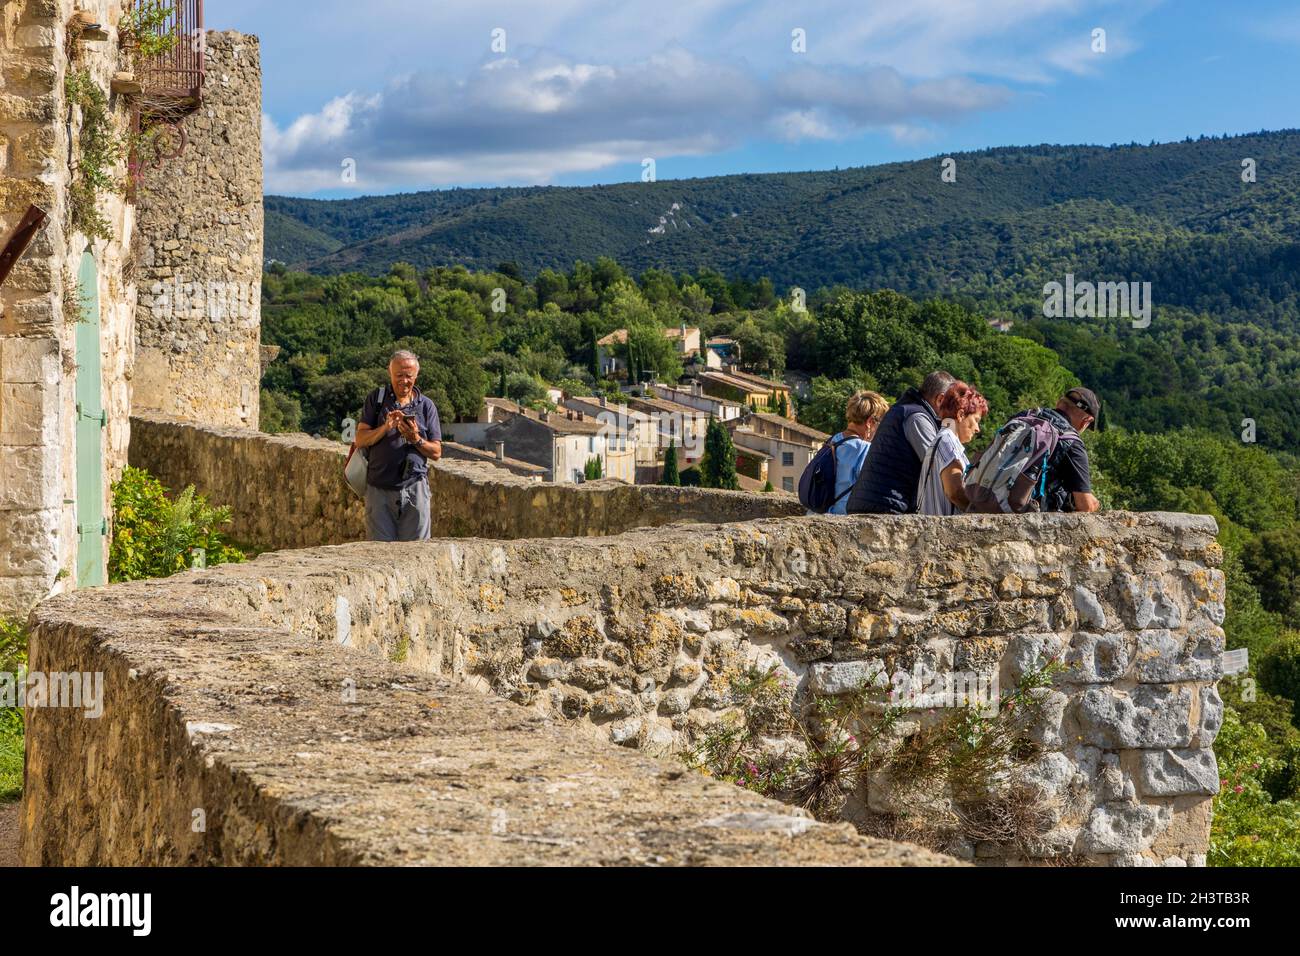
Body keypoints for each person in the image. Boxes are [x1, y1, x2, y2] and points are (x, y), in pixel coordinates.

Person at [353, 350, 443, 541]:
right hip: (379, 489)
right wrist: (385, 428)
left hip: (415, 487)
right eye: (398, 375)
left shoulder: (426, 406)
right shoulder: (376, 399)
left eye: (408, 376)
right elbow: (360, 439)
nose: (404, 381)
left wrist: (415, 438)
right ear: (390, 373)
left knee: (417, 554)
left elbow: (436, 452)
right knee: (380, 554)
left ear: (416, 375)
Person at [846, 371, 955, 514]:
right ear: (940, 399)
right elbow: (939, 468)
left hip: (874, 503)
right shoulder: (917, 418)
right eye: (951, 403)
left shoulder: (903, 410)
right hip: (888, 507)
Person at [917, 381, 988, 515]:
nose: (978, 429)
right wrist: (982, 513)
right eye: (976, 420)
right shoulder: (947, 440)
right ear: (961, 415)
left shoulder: (944, 439)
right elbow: (955, 492)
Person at [1038, 388, 1101, 513]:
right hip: (1026, 516)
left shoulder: (1023, 416)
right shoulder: (1071, 441)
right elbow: (1085, 507)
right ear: (1086, 421)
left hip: (991, 502)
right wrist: (1094, 504)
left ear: (1058, 403)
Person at [828, 390, 889, 515]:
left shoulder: (833, 440)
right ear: (870, 422)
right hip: (843, 519)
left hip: (823, 513)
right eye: (881, 424)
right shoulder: (865, 449)